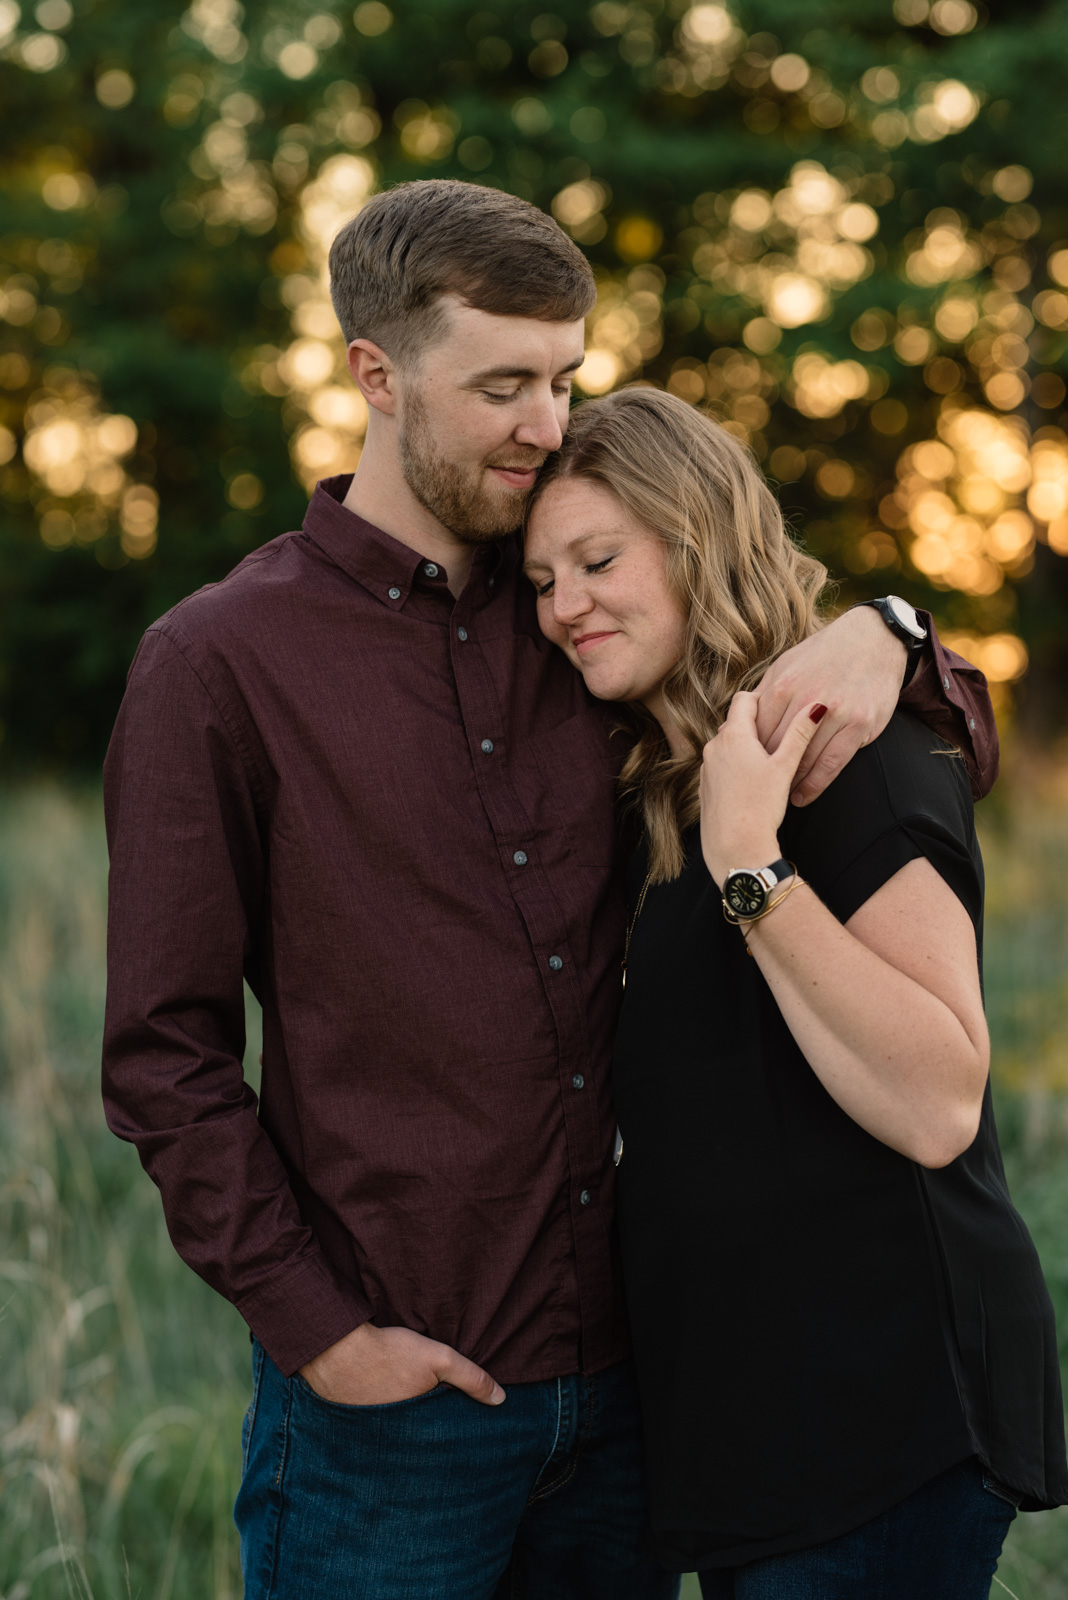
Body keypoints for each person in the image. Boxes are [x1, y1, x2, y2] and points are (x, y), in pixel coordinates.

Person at [103, 180, 998, 1600]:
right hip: (394, 1418)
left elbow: (841, 702)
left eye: (564, 378)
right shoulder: (221, 664)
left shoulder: (585, 620)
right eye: (503, 384)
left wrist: (895, 634)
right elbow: (165, 1058)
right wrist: (321, 1334)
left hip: (643, 1403)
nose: (546, 420)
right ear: (375, 375)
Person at [523, 385, 1068, 1599]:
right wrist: (894, 619)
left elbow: (939, 1098)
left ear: (697, 535)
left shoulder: (852, 757)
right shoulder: (664, 778)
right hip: (744, 1416)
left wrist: (754, 873)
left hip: (875, 1408)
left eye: (598, 559)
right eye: (542, 579)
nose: (565, 605)